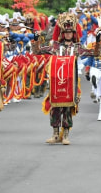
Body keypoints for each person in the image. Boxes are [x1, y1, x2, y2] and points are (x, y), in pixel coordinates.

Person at [34, 12, 93, 145]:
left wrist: (99, 41)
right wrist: (35, 39)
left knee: (67, 109)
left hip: (70, 83)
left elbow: (94, 53)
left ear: (74, 33)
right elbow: (37, 51)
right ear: (62, 33)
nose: (68, 34)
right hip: (56, 82)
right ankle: (55, 134)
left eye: (70, 32)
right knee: (55, 108)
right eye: (65, 32)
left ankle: (65, 135)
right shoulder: (55, 47)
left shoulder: (77, 48)